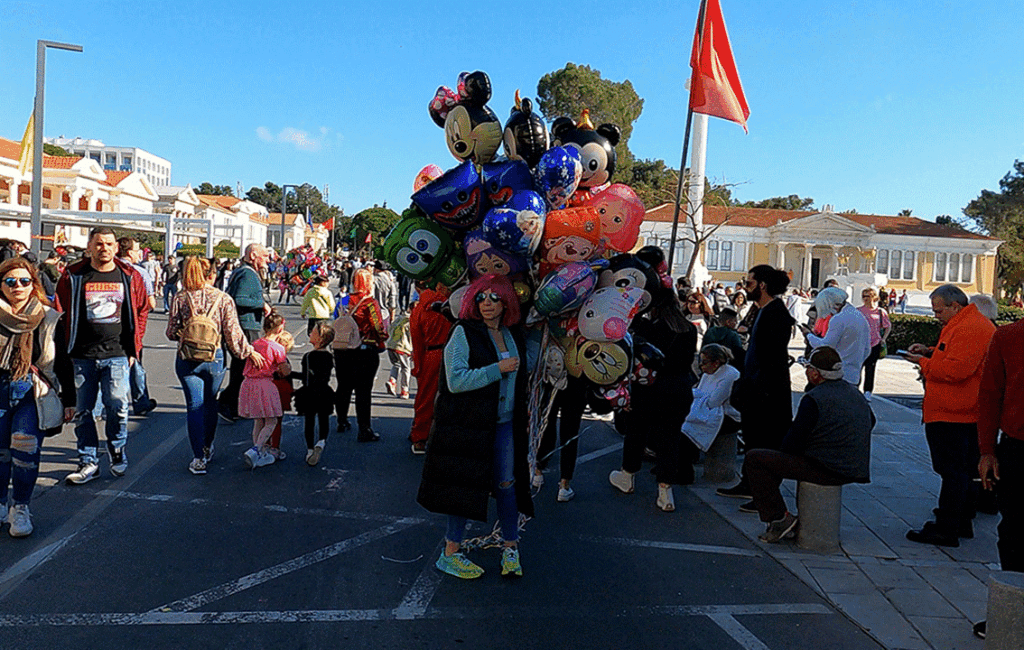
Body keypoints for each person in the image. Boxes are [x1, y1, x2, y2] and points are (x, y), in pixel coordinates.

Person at [416, 274, 534, 579]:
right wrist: (497, 369)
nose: (487, 304)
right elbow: (455, 381)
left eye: (495, 298)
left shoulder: (512, 334)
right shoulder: (463, 332)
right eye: (481, 297)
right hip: (470, 423)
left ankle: (511, 548)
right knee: (464, 485)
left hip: (506, 423)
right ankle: (450, 552)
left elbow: (530, 366)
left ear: (507, 301)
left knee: (507, 486)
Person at [744, 346, 874, 542]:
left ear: (815, 373)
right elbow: (871, 421)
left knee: (756, 458)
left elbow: (791, 444)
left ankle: (778, 518)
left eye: (808, 368)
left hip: (826, 467)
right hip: (854, 465)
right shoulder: (854, 393)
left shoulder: (815, 398)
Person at [903, 284, 996, 547]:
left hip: (954, 412)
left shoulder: (970, 327)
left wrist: (922, 363)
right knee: (962, 471)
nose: (936, 315)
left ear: (955, 306)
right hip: (959, 410)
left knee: (953, 471)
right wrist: (931, 352)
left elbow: (956, 371)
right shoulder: (966, 323)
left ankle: (947, 528)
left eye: (938, 310)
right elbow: (955, 357)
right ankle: (959, 522)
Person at [58, 228, 151, 485]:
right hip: (82, 355)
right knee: (83, 412)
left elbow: (142, 310)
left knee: (117, 405)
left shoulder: (129, 275)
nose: (104, 248)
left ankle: (117, 449)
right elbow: (61, 310)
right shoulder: (74, 276)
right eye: (99, 244)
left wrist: (135, 347)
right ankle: (88, 461)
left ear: (116, 248)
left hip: (118, 354)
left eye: (109, 244)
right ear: (89, 246)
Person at [166, 257, 265, 475]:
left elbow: (171, 332)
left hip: (187, 357)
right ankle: (207, 445)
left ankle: (197, 458)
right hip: (214, 357)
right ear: (212, 274)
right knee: (210, 402)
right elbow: (233, 333)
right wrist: (248, 352)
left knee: (194, 405)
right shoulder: (223, 299)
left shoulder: (181, 297)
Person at [610, 271, 699, 511]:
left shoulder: (650, 328)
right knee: (670, 439)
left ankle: (627, 475)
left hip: (650, 387)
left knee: (636, 431)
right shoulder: (689, 329)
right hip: (680, 388)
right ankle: (665, 491)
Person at [0, 257, 69, 536]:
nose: (18, 286)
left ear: (34, 285)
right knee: (1, 452)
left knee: (25, 448)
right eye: (10, 281)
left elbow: (62, 360)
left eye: (25, 281)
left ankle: (21, 508)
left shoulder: (48, 316)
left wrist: (71, 400)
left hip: (32, 389)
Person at [717, 265, 795, 509]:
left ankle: (764, 494)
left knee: (765, 441)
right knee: (753, 440)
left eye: (749, 283)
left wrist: (755, 387)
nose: (745, 287)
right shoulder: (763, 310)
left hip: (766, 392)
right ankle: (749, 484)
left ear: (762, 285)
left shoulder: (776, 313)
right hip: (757, 387)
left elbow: (771, 359)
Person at [973, 316, 1024, 640]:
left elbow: (990, 395)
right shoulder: (1008, 337)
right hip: (1017, 449)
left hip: (1018, 450)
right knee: (1016, 530)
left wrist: (987, 450)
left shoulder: (1009, 336)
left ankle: (1013, 613)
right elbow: (990, 394)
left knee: (1016, 532)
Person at [332, 267, 387, 442]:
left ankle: (341, 420)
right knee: (363, 391)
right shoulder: (369, 302)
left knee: (343, 386)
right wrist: (384, 337)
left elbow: (336, 320)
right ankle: (364, 429)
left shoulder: (343, 300)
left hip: (342, 349)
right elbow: (377, 327)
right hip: (364, 350)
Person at [219, 243, 270, 422]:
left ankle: (233, 405)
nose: (268, 260)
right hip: (247, 326)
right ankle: (227, 403)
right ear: (254, 255)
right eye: (265, 256)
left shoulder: (243, 272)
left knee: (242, 367)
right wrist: (261, 304)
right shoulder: (247, 274)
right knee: (245, 367)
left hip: (245, 325)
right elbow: (238, 299)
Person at [238, 310, 289, 468]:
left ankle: (259, 453)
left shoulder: (254, 344)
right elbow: (284, 370)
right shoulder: (277, 348)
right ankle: (256, 449)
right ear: (279, 329)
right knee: (272, 420)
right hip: (265, 384)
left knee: (258, 420)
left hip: (249, 383)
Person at [408, 282, 452, 454]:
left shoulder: (418, 311)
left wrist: (418, 368)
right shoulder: (451, 302)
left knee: (425, 398)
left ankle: (420, 437)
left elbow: (417, 343)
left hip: (431, 355)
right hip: (454, 350)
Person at [116, 237, 158, 416]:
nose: (139, 253)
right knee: (135, 364)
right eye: (136, 250)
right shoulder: (139, 272)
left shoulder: (107, 268)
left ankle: (96, 409)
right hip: (132, 326)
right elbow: (151, 302)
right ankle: (140, 401)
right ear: (128, 252)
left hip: (108, 325)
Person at [681, 344, 741, 460]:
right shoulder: (708, 373)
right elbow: (701, 393)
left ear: (716, 363)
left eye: (704, 362)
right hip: (708, 408)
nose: (701, 366)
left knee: (687, 427)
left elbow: (714, 402)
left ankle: (686, 463)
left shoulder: (729, 375)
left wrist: (699, 398)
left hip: (728, 415)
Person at [803, 287, 871, 389]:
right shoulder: (860, 316)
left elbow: (826, 345)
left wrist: (808, 335)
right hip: (854, 375)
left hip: (838, 375)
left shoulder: (838, 319)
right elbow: (867, 349)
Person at [295, 321, 336, 466]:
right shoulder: (329, 357)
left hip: (310, 392)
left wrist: (289, 374)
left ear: (319, 338)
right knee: (324, 419)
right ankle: (322, 441)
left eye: (313, 332)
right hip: (324, 391)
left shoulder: (308, 356)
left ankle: (310, 449)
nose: (310, 333)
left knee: (309, 421)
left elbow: (306, 377)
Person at [857, 288, 891, 400]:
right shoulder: (858, 311)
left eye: (868, 296)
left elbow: (888, 326)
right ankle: (855, 389)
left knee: (870, 368)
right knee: (857, 367)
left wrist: (883, 339)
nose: (865, 298)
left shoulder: (881, 312)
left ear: (874, 297)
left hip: (874, 343)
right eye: (864, 296)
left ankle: (868, 391)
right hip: (860, 344)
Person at [385, 307, 413, 399]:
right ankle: (404, 390)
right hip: (402, 347)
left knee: (396, 364)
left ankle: (392, 380)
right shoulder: (410, 322)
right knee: (406, 368)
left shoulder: (399, 319)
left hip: (391, 345)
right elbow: (412, 337)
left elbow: (389, 328)